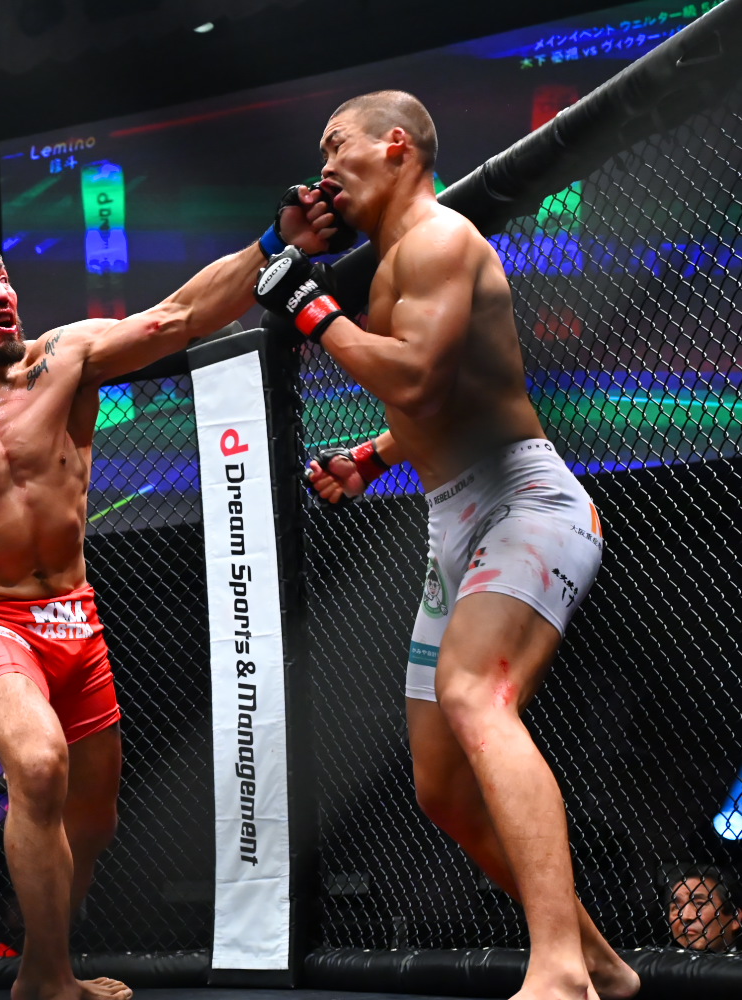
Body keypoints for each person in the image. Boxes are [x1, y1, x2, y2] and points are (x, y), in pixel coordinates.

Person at [0, 198, 338, 1000]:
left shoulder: (63, 358)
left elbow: (179, 317)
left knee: (93, 822)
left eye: (3, 275)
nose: (2, 291)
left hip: (76, 616)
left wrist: (275, 242)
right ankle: (46, 978)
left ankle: (46, 959)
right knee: (39, 766)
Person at [259, 90, 639, 1000]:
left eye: (337, 145)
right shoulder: (398, 257)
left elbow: (421, 378)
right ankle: (600, 961)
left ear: (396, 146)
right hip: (456, 518)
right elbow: (454, 398)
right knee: (441, 786)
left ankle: (558, 971)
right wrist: (372, 457)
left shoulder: (436, 240)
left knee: (477, 694)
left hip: (526, 505)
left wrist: (313, 309)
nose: (324, 166)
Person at [667, 868, 741, 952]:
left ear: (735, 918)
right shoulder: (659, 958)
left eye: (700, 904)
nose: (685, 916)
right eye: (677, 907)